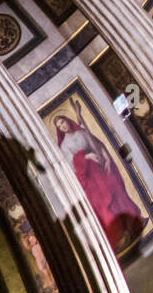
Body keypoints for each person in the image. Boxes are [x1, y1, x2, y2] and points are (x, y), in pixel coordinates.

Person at [54, 108, 146, 252]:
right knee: (101, 202)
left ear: (67, 120)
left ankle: (133, 222)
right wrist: (86, 157)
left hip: (99, 167)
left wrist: (108, 159)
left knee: (115, 186)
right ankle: (117, 238)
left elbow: (98, 144)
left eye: (63, 122)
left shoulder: (81, 133)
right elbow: (71, 165)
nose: (63, 126)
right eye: (59, 126)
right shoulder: (64, 145)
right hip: (88, 177)